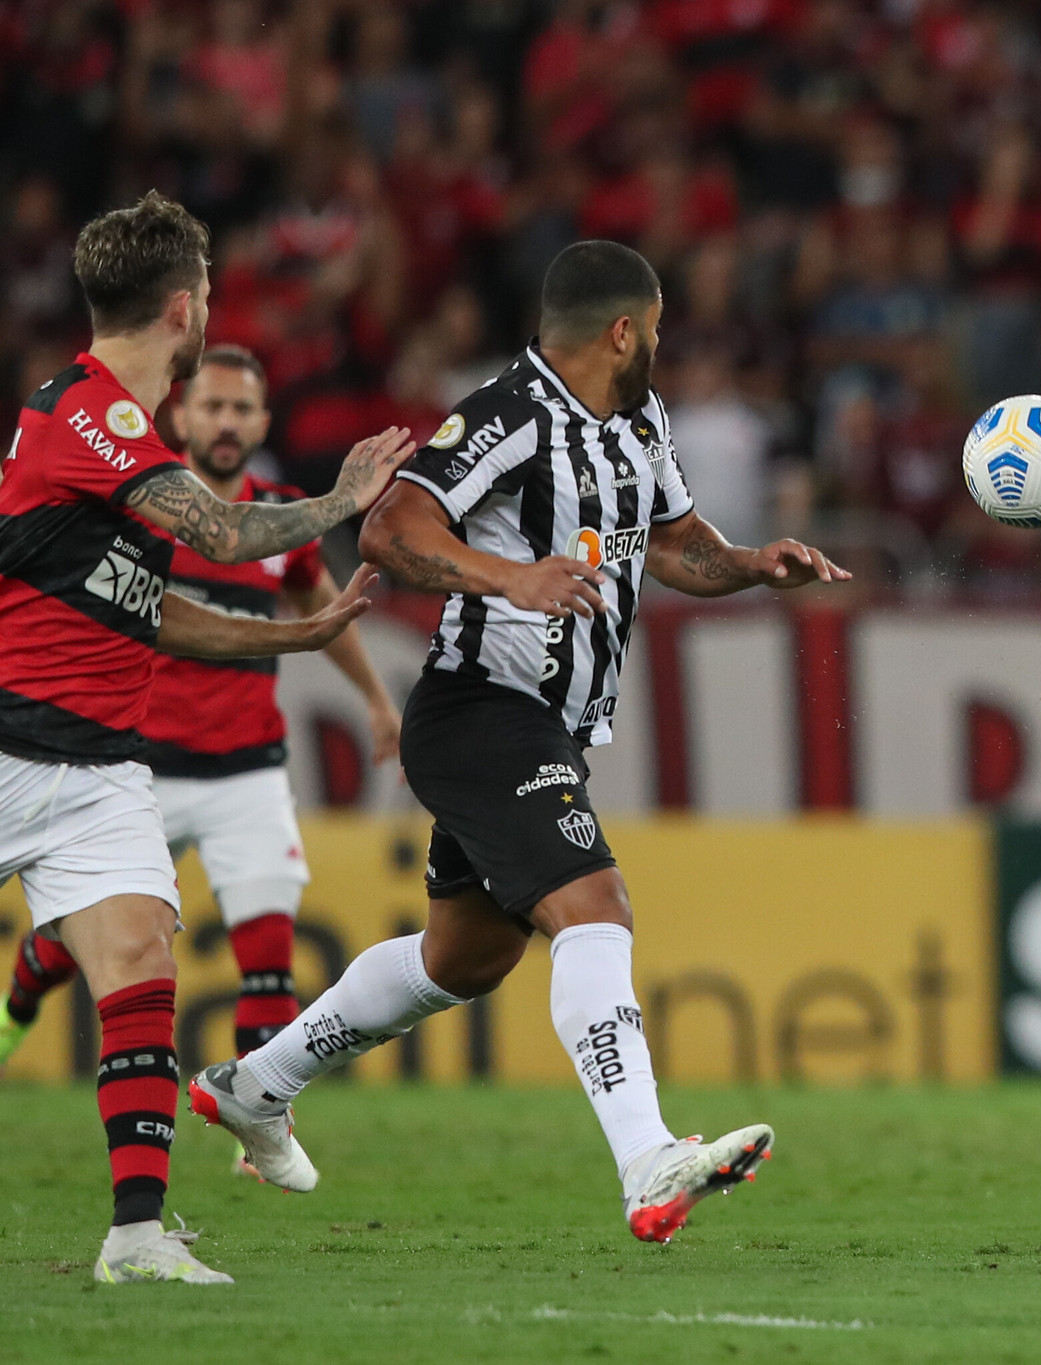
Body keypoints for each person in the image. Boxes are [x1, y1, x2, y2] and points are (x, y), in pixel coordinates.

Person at [190, 240, 851, 1245]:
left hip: (550, 726)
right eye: (657, 329)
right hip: (476, 708)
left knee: (466, 956)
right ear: (622, 329)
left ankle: (255, 1085)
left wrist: (755, 565)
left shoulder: (639, 419)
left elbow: (675, 546)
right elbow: (388, 532)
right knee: (595, 905)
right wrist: (511, 578)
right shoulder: (508, 416)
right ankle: (646, 1159)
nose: (661, 346)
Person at [0, 190, 414, 1284]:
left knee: (140, 967)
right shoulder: (91, 416)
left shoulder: (119, 438)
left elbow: (146, 607)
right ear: (184, 310)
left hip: (96, 769)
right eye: (211, 298)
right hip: (5, 748)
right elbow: (228, 532)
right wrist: (343, 497)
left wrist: (288, 637)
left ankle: (136, 1237)